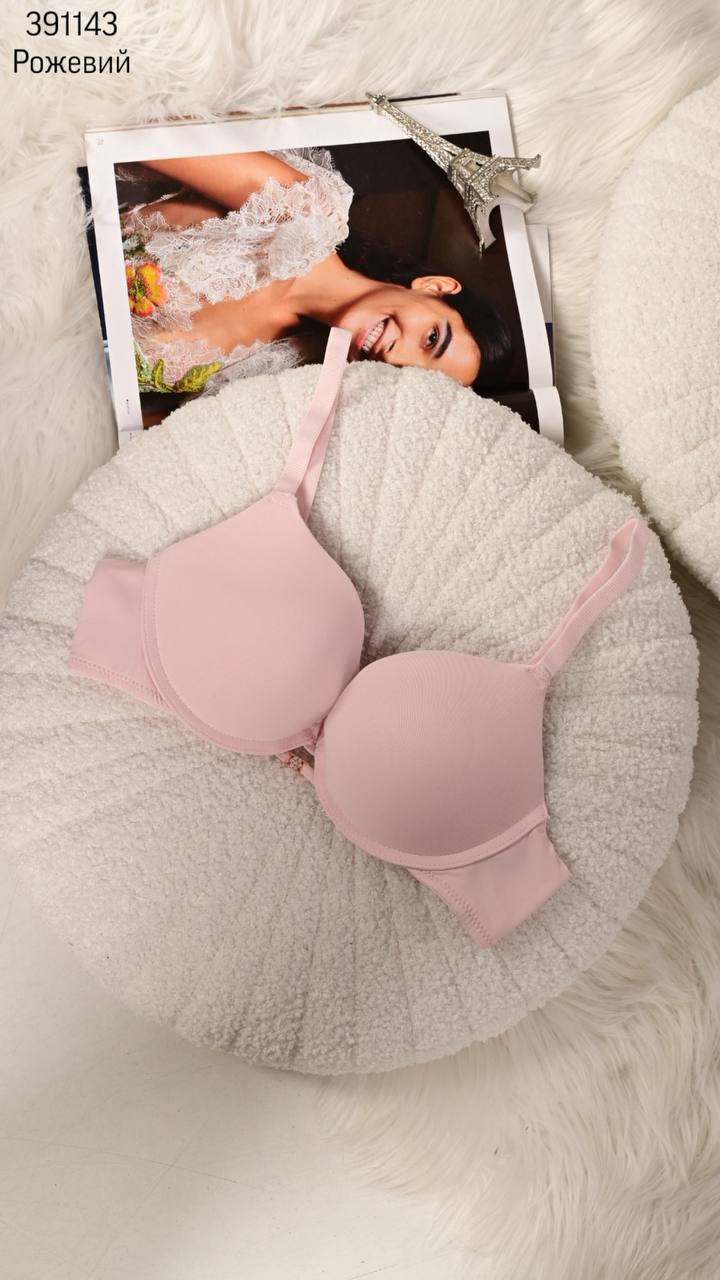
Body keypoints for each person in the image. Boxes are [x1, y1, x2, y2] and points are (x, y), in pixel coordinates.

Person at [120, 146, 513, 400]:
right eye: (431, 338)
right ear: (434, 287)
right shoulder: (306, 210)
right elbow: (143, 138)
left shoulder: (283, 376)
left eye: (413, 378)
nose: (396, 357)